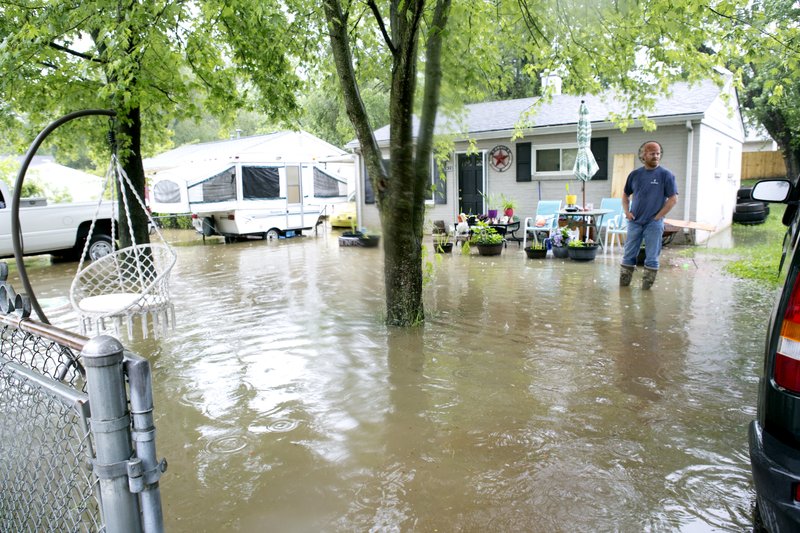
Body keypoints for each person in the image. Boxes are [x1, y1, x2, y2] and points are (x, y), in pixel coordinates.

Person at [619, 141, 678, 289]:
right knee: (628, 256)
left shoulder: (666, 175)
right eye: (652, 153)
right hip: (635, 222)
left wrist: (658, 217)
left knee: (652, 258)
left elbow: (673, 199)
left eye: (658, 153)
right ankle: (624, 289)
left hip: (654, 224)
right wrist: (627, 212)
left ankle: (646, 291)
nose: (656, 156)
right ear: (644, 155)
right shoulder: (635, 175)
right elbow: (625, 195)